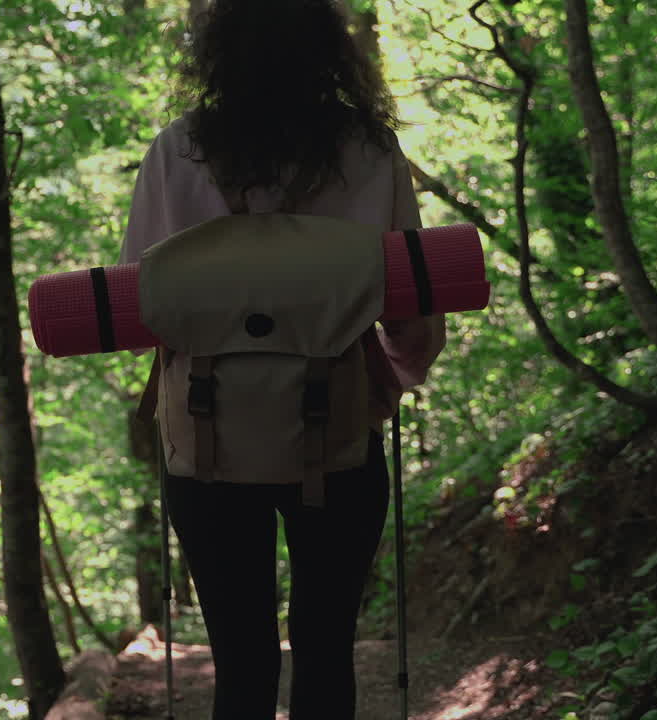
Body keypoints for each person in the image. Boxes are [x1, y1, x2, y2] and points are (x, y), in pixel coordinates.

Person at [119, 1, 446, 717]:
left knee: (241, 663)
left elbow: (147, 305)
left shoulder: (177, 150)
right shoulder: (369, 149)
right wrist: (390, 383)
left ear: (216, 50)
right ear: (327, 48)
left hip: (205, 449)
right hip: (338, 442)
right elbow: (411, 316)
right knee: (325, 651)